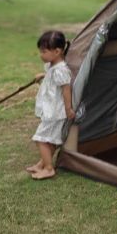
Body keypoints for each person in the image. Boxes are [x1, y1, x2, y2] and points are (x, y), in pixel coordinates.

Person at [27, 30, 75, 180]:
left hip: (55, 112)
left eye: (44, 51)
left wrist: (68, 109)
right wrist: (43, 75)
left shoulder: (60, 70)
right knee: (51, 139)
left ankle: (49, 168)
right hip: (51, 110)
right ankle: (42, 164)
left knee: (40, 138)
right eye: (40, 51)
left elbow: (66, 89)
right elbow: (53, 78)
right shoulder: (53, 66)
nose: (41, 55)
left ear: (57, 51)